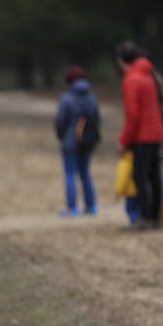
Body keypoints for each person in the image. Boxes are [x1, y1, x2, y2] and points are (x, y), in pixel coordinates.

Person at [117, 41, 163, 231]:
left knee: (140, 178)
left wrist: (123, 141)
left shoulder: (131, 80)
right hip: (156, 134)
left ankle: (144, 217)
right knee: (155, 178)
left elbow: (133, 115)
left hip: (142, 136)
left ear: (121, 61)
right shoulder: (149, 75)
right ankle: (156, 217)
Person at [54, 65, 100, 217]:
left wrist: (61, 135)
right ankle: (91, 206)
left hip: (70, 141)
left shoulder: (66, 98)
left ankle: (72, 208)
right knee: (85, 172)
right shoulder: (91, 97)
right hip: (87, 141)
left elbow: (60, 121)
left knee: (69, 174)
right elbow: (97, 119)